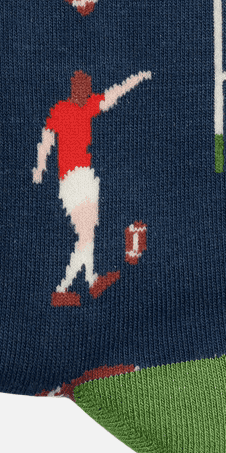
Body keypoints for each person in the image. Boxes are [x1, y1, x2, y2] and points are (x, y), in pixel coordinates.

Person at [33, 69, 152, 306]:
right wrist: (40, 167)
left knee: (88, 232)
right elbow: (46, 139)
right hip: (72, 179)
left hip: (85, 177)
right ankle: (65, 288)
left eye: (86, 88)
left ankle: (90, 280)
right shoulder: (62, 110)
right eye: (81, 87)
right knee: (86, 234)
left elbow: (113, 94)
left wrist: (136, 79)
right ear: (73, 89)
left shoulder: (85, 107)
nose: (84, 91)